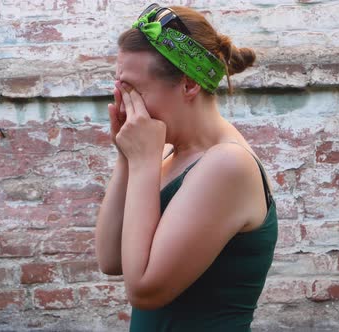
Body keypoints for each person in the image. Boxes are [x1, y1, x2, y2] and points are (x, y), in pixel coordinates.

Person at [94, 3, 278, 331]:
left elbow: (143, 289)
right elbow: (110, 259)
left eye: (134, 90)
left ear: (189, 85)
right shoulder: (168, 154)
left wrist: (142, 162)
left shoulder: (227, 165)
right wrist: (126, 155)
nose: (124, 103)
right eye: (121, 89)